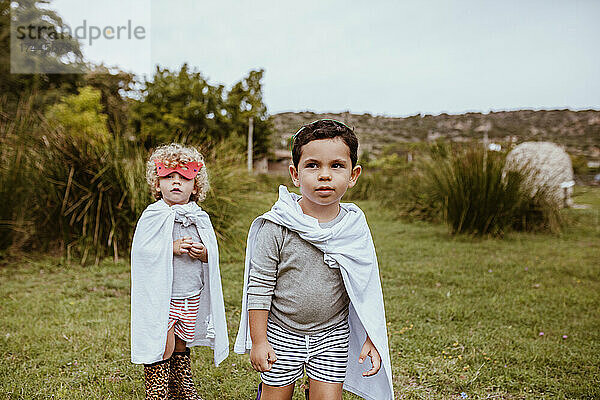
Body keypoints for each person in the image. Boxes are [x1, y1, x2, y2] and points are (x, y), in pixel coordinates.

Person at [234, 120, 394, 400]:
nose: (324, 175)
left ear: (353, 175)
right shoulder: (278, 225)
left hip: (331, 334)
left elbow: (366, 287)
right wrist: (259, 341)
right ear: (295, 174)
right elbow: (259, 286)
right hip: (282, 330)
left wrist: (371, 336)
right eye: (312, 165)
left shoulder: (354, 228)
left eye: (336, 166)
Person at [130, 143, 228, 399]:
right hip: (165, 294)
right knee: (164, 343)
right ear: (157, 183)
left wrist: (204, 253)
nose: (176, 182)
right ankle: (158, 390)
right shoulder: (154, 214)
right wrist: (169, 247)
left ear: (195, 186)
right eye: (168, 177)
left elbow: (213, 253)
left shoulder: (199, 216)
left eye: (183, 178)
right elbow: (141, 252)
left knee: (181, 343)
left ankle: (181, 386)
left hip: (190, 292)